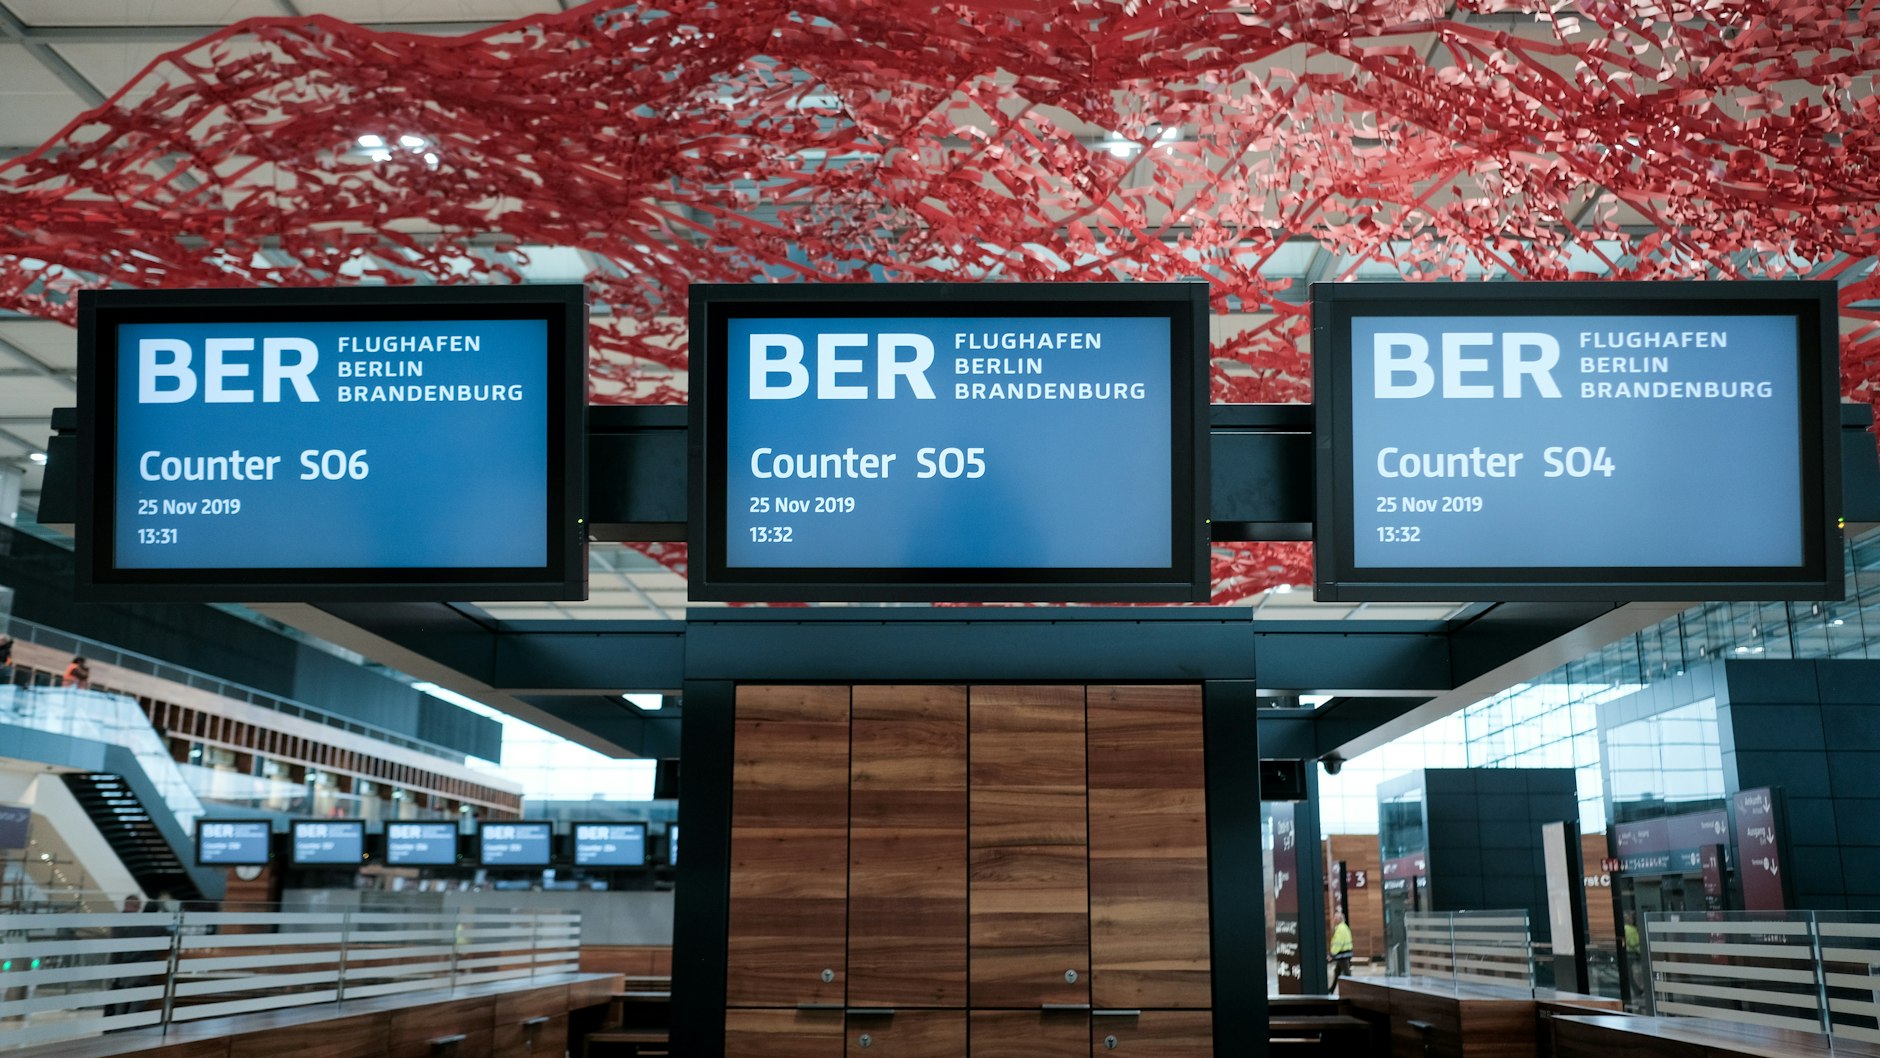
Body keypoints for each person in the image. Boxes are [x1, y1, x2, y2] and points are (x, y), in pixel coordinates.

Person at [1329, 911, 1355, 990]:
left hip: (1342, 955)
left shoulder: (1340, 929)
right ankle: (1332, 989)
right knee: (1337, 972)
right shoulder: (1344, 927)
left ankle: (1353, 989)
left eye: (1334, 918)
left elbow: (1338, 943)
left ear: (1338, 919)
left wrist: (1332, 954)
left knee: (1347, 974)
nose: (1333, 920)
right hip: (1346, 953)